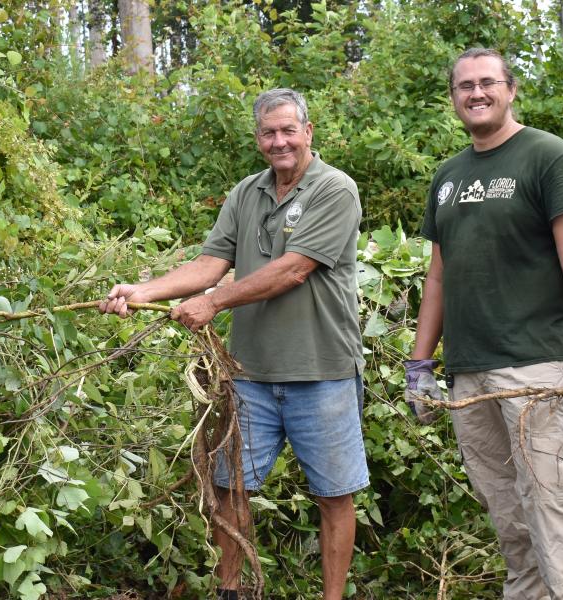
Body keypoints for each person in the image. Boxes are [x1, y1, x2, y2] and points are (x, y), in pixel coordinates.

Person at [100, 88, 366, 600]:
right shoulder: (246, 193)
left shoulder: (336, 189)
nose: (280, 141)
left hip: (322, 371)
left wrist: (214, 303)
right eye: (269, 132)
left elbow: (294, 270)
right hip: (251, 376)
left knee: (334, 495)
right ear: (257, 138)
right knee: (229, 487)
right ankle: (232, 592)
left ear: (309, 132)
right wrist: (143, 291)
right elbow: (209, 263)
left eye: (289, 130)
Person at [403, 48, 563, 599]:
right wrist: (421, 364)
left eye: (487, 83)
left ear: (510, 89)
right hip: (469, 371)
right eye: (464, 86)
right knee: (506, 509)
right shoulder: (449, 176)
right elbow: (440, 279)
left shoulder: (548, 157)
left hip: (535, 364)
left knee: (551, 502)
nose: (476, 93)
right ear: (453, 97)